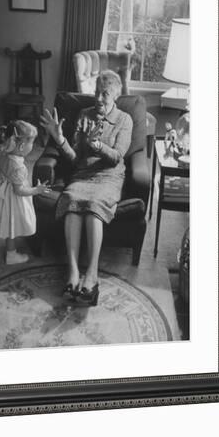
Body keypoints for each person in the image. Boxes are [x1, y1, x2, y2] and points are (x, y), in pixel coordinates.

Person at [40, 70, 133, 305]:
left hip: (109, 177)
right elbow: (74, 157)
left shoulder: (124, 120)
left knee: (93, 207)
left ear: (115, 97)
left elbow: (116, 157)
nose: (99, 99)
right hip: (82, 174)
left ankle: (92, 274)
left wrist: (98, 145)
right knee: (71, 201)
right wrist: (59, 138)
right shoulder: (84, 114)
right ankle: (72, 271)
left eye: (105, 94)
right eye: (96, 93)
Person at [0, 120, 51, 265]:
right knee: (10, 225)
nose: (33, 146)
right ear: (22, 146)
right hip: (11, 199)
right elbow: (20, 190)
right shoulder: (19, 167)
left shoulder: (2, 151)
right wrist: (37, 190)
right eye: (32, 143)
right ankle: (11, 254)